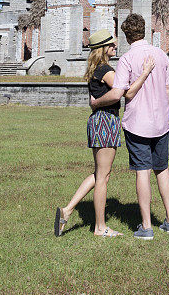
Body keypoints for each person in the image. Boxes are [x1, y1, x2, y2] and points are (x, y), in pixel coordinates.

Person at [54, 28, 154, 238]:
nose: (115, 47)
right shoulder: (105, 70)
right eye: (111, 45)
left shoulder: (96, 69)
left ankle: (68, 210)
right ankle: (100, 227)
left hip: (98, 121)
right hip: (106, 121)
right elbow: (123, 92)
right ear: (103, 49)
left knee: (99, 174)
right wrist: (145, 73)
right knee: (103, 178)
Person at [90, 13, 169, 240]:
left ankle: (146, 226)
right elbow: (168, 89)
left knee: (142, 171)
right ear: (145, 31)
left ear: (127, 36)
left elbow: (120, 93)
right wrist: (163, 113)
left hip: (137, 123)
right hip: (161, 122)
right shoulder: (161, 55)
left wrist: (96, 102)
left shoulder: (127, 60)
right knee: (163, 169)